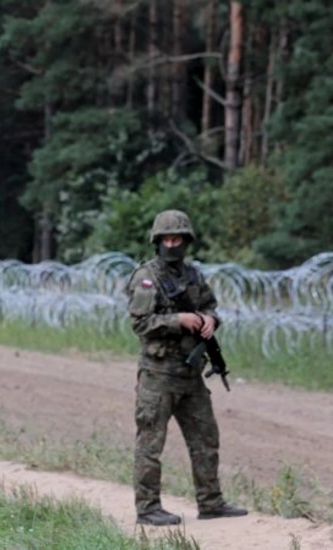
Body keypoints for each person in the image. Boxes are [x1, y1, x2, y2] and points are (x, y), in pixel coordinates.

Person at [125, 210, 248, 526]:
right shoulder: (147, 277)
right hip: (159, 373)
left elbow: (209, 305)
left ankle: (211, 502)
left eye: (177, 237)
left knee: (206, 438)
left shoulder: (193, 275)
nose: (171, 243)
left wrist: (210, 321)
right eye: (166, 238)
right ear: (157, 241)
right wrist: (177, 320)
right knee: (151, 442)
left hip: (190, 373)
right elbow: (140, 323)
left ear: (186, 240)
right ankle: (148, 508)